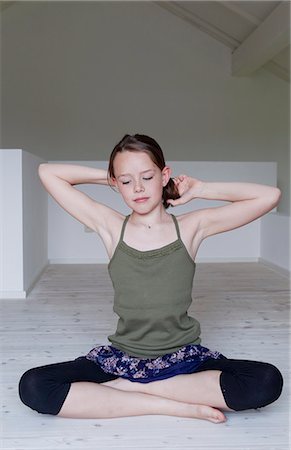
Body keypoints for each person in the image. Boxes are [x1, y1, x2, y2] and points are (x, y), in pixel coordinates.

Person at [19, 134, 283, 423]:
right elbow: (48, 173)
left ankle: (129, 389)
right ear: (117, 184)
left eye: (147, 176)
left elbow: (269, 196)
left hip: (183, 360)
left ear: (164, 175)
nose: (139, 188)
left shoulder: (192, 227)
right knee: (33, 386)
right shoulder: (110, 227)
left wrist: (200, 189)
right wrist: (110, 177)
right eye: (126, 181)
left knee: (267, 380)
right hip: (122, 359)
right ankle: (172, 405)